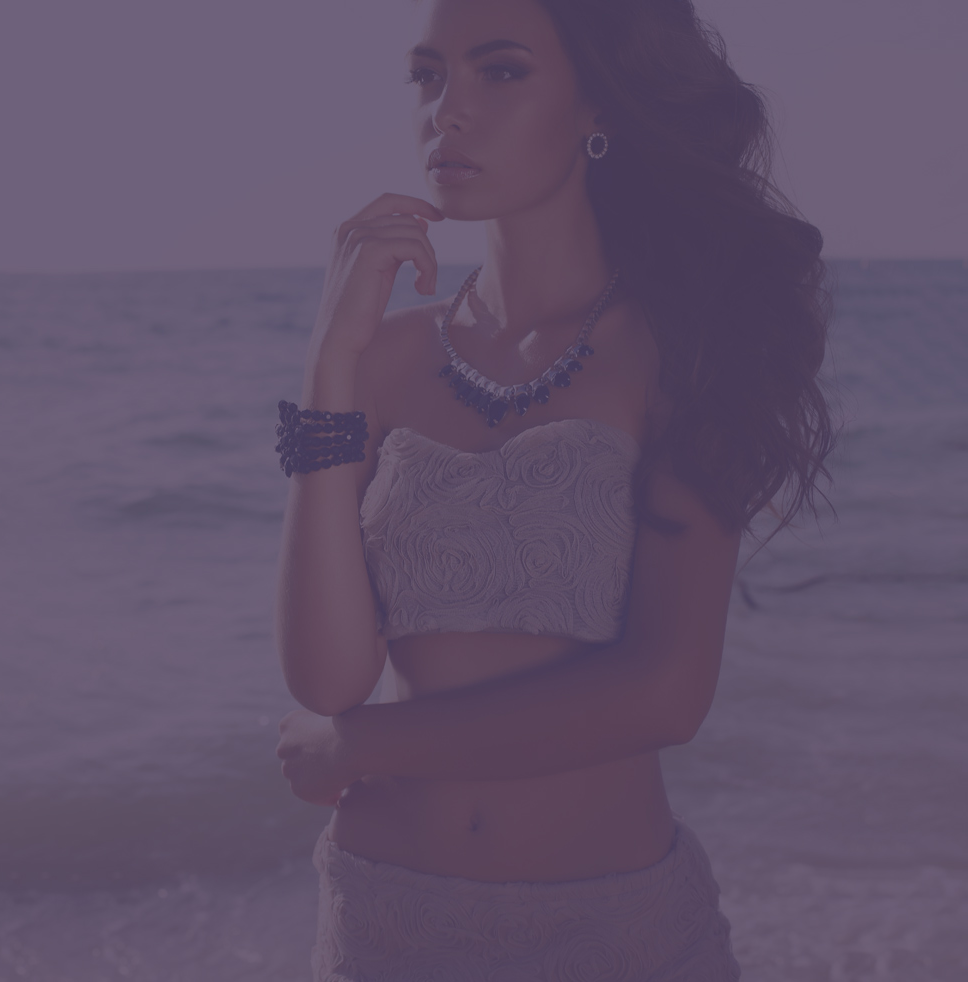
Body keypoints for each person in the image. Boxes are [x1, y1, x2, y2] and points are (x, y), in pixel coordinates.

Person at [274, 0, 834, 978]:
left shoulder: (682, 356)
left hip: (614, 933)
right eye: (427, 75)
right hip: (381, 925)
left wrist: (362, 744)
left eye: (498, 72)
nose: (446, 112)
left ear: (594, 109)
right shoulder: (377, 363)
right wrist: (328, 362)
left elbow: (663, 692)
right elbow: (324, 679)